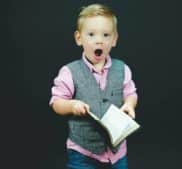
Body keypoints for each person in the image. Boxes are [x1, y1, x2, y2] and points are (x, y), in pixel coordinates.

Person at [49, 3, 138, 169]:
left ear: (114, 39)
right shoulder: (69, 71)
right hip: (83, 152)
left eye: (106, 35)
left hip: (117, 152)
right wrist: (71, 105)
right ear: (79, 38)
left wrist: (129, 104)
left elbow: (131, 93)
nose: (99, 41)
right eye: (91, 34)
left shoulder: (122, 69)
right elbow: (56, 102)